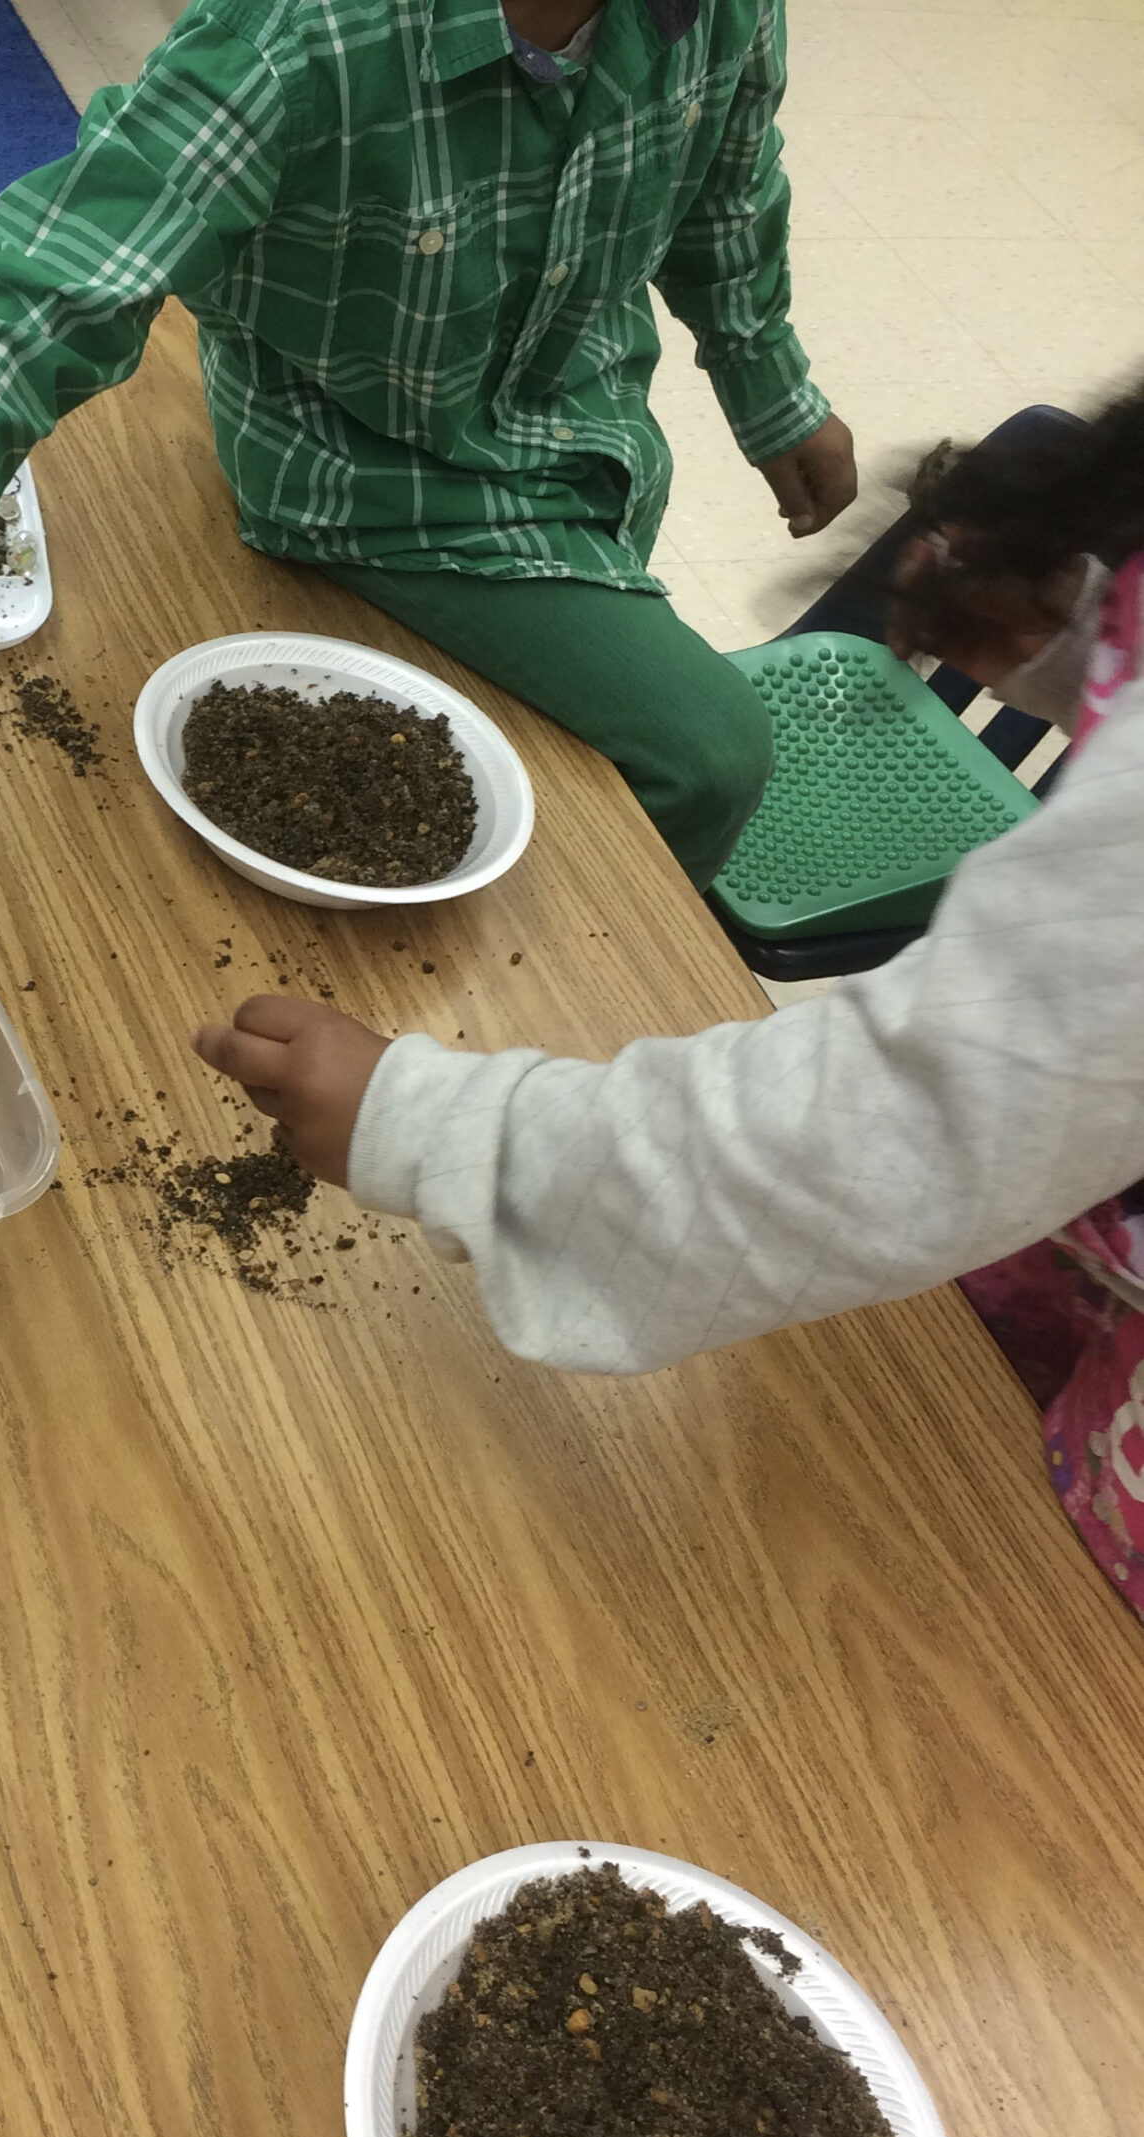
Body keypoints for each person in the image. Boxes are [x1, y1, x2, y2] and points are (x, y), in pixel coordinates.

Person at [191, 380, 1144, 1610]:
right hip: (1081, 1205)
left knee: (1004, 1601)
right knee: (940, 1402)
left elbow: (898, 1133)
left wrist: (424, 1121)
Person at [0, 0, 855, 890]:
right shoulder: (302, 39)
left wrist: (770, 384)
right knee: (708, 754)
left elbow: (730, 188)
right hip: (358, 472)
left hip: (574, 442)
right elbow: (9, 324)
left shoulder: (721, 14)